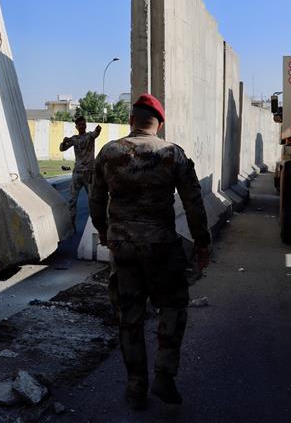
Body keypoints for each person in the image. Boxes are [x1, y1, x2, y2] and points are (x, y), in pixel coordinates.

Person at [90, 93, 211, 411]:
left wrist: (104, 232)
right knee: (172, 307)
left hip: (123, 248)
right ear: (160, 122)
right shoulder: (173, 153)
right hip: (161, 248)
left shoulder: (109, 152)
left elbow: (96, 199)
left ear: (132, 120)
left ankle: (135, 387)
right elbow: (193, 202)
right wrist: (202, 243)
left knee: (128, 317)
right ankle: (164, 375)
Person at [59, 116, 102, 230]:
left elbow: (96, 133)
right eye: (80, 125)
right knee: (72, 200)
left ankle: (96, 226)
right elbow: (62, 149)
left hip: (89, 173)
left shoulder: (89, 136)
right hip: (77, 173)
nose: (82, 126)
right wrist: (63, 142)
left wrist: (98, 129)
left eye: (83, 124)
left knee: (93, 200)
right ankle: (71, 225)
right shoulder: (74, 139)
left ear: (86, 125)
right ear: (76, 127)